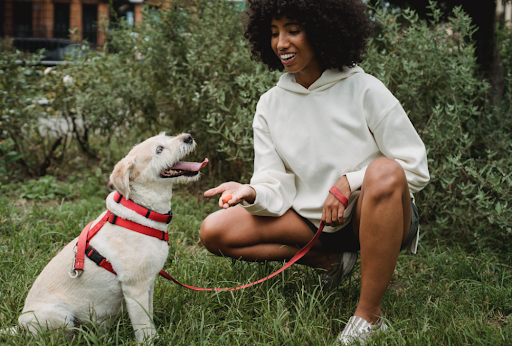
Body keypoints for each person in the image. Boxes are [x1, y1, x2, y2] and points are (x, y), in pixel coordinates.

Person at [200, 0, 430, 344]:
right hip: (314, 222)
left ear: (322, 31)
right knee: (214, 231)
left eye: (293, 30)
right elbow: (274, 181)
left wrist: (350, 182)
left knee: (383, 170)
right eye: (275, 33)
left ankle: (369, 315)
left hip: (373, 215)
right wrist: (252, 192)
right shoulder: (270, 104)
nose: (281, 43)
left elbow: (414, 167)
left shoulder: (364, 88)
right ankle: (328, 259)